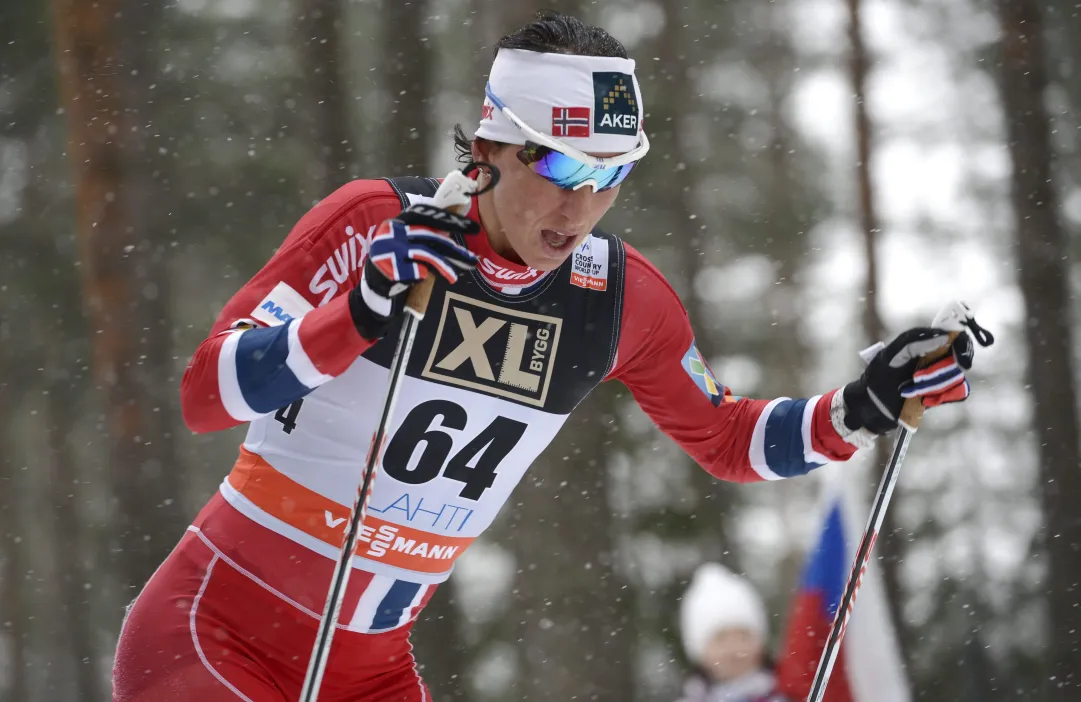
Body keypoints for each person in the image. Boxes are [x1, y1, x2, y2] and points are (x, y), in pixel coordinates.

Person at [111, 10, 980, 702]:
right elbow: (204, 393)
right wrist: (357, 312)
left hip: (369, 672)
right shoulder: (376, 225)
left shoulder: (618, 297)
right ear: (489, 146)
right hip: (214, 630)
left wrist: (861, 406)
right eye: (562, 164)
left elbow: (727, 438)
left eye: (613, 174)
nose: (583, 204)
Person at [677, 564, 789, 702]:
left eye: (744, 636)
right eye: (721, 639)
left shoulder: (789, 693)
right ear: (701, 650)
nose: (734, 648)